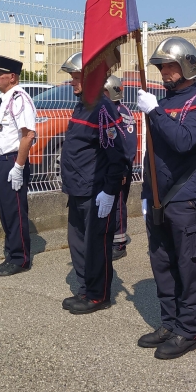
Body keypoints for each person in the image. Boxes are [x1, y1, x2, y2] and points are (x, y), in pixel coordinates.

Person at [136, 37, 196, 360]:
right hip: (157, 197)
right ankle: (168, 321)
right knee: (161, 261)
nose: (163, 71)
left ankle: (188, 329)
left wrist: (154, 112)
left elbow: (183, 142)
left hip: (185, 196)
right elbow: (152, 154)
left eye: (169, 65)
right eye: (161, 66)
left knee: (187, 262)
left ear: (186, 66)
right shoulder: (165, 103)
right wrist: (145, 193)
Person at [59, 52, 129, 315]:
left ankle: (98, 295)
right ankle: (86, 287)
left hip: (95, 190)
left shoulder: (103, 108)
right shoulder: (82, 104)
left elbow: (117, 154)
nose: (72, 82)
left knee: (96, 245)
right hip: (77, 187)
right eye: (72, 77)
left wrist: (110, 191)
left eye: (76, 77)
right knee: (78, 242)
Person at [0, 56, 37, 277]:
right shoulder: (5, 98)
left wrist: (18, 167)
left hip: (12, 161)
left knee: (15, 212)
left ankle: (20, 258)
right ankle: (10, 255)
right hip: (0, 162)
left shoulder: (19, 99)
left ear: (13, 77)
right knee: (6, 212)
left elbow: (28, 135)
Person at [103, 75, 138, 261]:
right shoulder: (103, 110)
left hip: (120, 169)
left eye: (104, 92)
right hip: (105, 169)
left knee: (118, 204)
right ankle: (107, 238)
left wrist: (124, 169)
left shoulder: (122, 113)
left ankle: (119, 242)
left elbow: (129, 145)